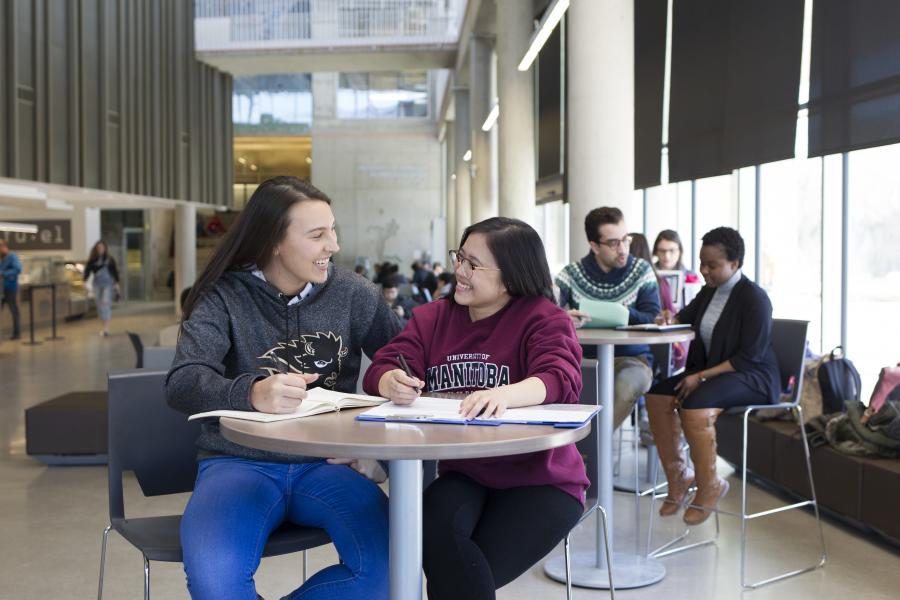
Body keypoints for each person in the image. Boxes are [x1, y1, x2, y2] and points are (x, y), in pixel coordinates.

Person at [166, 176, 400, 600]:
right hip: (236, 464)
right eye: (317, 235)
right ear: (273, 240)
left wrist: (373, 449)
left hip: (328, 466)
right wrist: (251, 393)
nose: (333, 245)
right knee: (215, 584)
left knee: (388, 572)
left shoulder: (355, 294)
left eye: (333, 230)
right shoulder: (221, 296)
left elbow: (405, 365)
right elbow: (182, 382)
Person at [364, 217, 589, 600]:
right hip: (465, 472)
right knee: (435, 530)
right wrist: (390, 381)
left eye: (473, 265)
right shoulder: (433, 318)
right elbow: (385, 365)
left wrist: (506, 394)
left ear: (513, 276)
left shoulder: (543, 318)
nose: (459, 272)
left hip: (542, 481)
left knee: (454, 574)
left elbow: (560, 378)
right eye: (459, 258)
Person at [646, 226, 780, 525]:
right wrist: (669, 316)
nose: (704, 270)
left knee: (694, 405)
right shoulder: (709, 291)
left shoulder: (754, 299)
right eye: (702, 263)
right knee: (656, 395)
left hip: (753, 376)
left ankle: (710, 485)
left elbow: (749, 357)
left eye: (713, 265)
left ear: (735, 264)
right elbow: (685, 316)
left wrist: (701, 376)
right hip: (715, 374)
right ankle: (679, 478)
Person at [555, 207, 660, 428]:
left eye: (626, 240)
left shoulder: (642, 271)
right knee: (554, 379)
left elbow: (652, 317)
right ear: (594, 246)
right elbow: (544, 310)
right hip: (581, 360)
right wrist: (564, 317)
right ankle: (581, 452)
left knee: (627, 383)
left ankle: (588, 451)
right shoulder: (571, 274)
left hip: (632, 360)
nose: (623, 249)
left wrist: (620, 312)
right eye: (613, 243)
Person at [630, 232, 686, 371]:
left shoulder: (659, 281)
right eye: (662, 251)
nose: (667, 256)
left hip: (644, 350)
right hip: (654, 350)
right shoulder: (659, 281)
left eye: (672, 251)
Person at [83, 241, 120, 337]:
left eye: (102, 248)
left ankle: (106, 328)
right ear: (96, 249)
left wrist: (116, 283)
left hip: (108, 284)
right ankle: (103, 327)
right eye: (99, 248)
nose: (100, 249)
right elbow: (87, 270)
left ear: (105, 249)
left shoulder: (109, 259)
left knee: (105, 303)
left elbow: (114, 271)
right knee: (99, 305)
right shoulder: (93, 260)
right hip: (97, 284)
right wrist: (84, 281)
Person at [0, 239, 22, 340]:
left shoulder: (12, 256)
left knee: (14, 310)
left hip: (10, 287)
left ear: (4, 247)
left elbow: (18, 269)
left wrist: (4, 274)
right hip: (2, 289)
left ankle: (16, 333)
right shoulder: (2, 259)